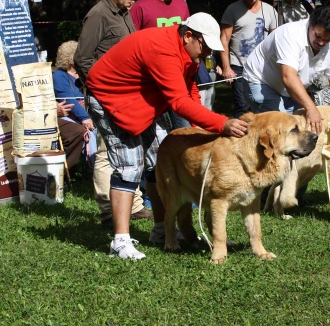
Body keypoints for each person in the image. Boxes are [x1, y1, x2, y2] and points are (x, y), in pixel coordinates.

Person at [86, 13, 248, 259]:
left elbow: (189, 89)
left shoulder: (189, 51)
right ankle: (120, 242)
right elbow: (178, 101)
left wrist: (203, 125)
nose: (206, 54)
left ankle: (162, 229)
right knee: (129, 167)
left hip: (142, 101)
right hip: (110, 98)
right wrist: (221, 124)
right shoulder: (163, 50)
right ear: (188, 36)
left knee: (159, 163)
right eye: (204, 47)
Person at [73, 0, 152, 224]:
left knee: (129, 149)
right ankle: (109, 209)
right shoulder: (98, 15)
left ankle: (134, 204)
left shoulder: (124, 13)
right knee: (108, 152)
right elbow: (82, 59)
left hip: (127, 97)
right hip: (107, 97)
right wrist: (103, 90)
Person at [242, 6, 330, 134]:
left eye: (327, 39)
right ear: (310, 24)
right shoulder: (290, 34)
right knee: (278, 129)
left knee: (298, 127)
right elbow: (288, 77)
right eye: (318, 36)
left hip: (289, 87)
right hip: (261, 81)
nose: (322, 43)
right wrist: (311, 108)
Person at [220, 0, 278, 118]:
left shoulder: (269, 10)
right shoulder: (232, 10)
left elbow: (276, 39)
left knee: (264, 104)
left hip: (263, 66)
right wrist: (226, 67)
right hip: (239, 66)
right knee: (243, 107)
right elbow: (224, 40)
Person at [52, 41, 95, 170]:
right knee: (90, 134)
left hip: (91, 113)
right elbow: (68, 99)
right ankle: (95, 169)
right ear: (71, 59)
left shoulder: (85, 74)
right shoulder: (59, 76)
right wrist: (84, 118)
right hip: (71, 116)